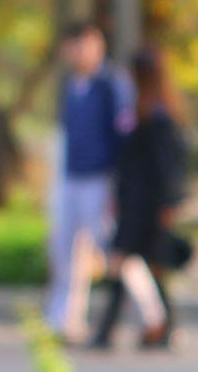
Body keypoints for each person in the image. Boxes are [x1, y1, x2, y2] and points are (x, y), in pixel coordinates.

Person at [88, 46, 189, 350]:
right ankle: (151, 329)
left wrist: (168, 203)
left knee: (131, 264)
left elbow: (166, 166)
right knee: (137, 266)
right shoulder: (140, 111)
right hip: (134, 202)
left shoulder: (157, 116)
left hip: (146, 206)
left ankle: (115, 332)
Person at [44, 20, 134, 341]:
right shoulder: (72, 86)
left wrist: (117, 183)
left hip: (100, 177)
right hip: (73, 176)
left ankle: (152, 313)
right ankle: (63, 318)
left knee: (112, 247)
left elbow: (123, 134)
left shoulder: (111, 83)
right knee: (65, 249)